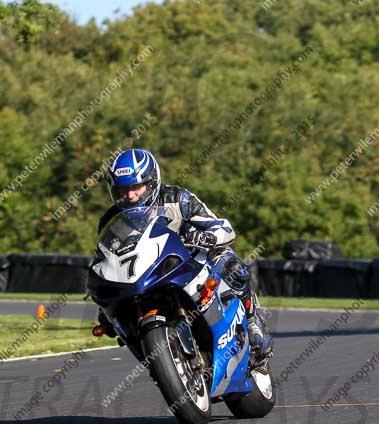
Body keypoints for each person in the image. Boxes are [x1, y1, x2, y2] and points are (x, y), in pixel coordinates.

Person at [92, 148, 273, 364]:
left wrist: (205, 238)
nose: (130, 195)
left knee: (228, 262)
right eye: (123, 189)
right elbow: (105, 256)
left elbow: (223, 228)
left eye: (135, 187)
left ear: (151, 182)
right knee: (114, 317)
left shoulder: (178, 198)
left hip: (186, 264)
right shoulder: (112, 219)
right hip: (143, 277)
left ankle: (253, 321)